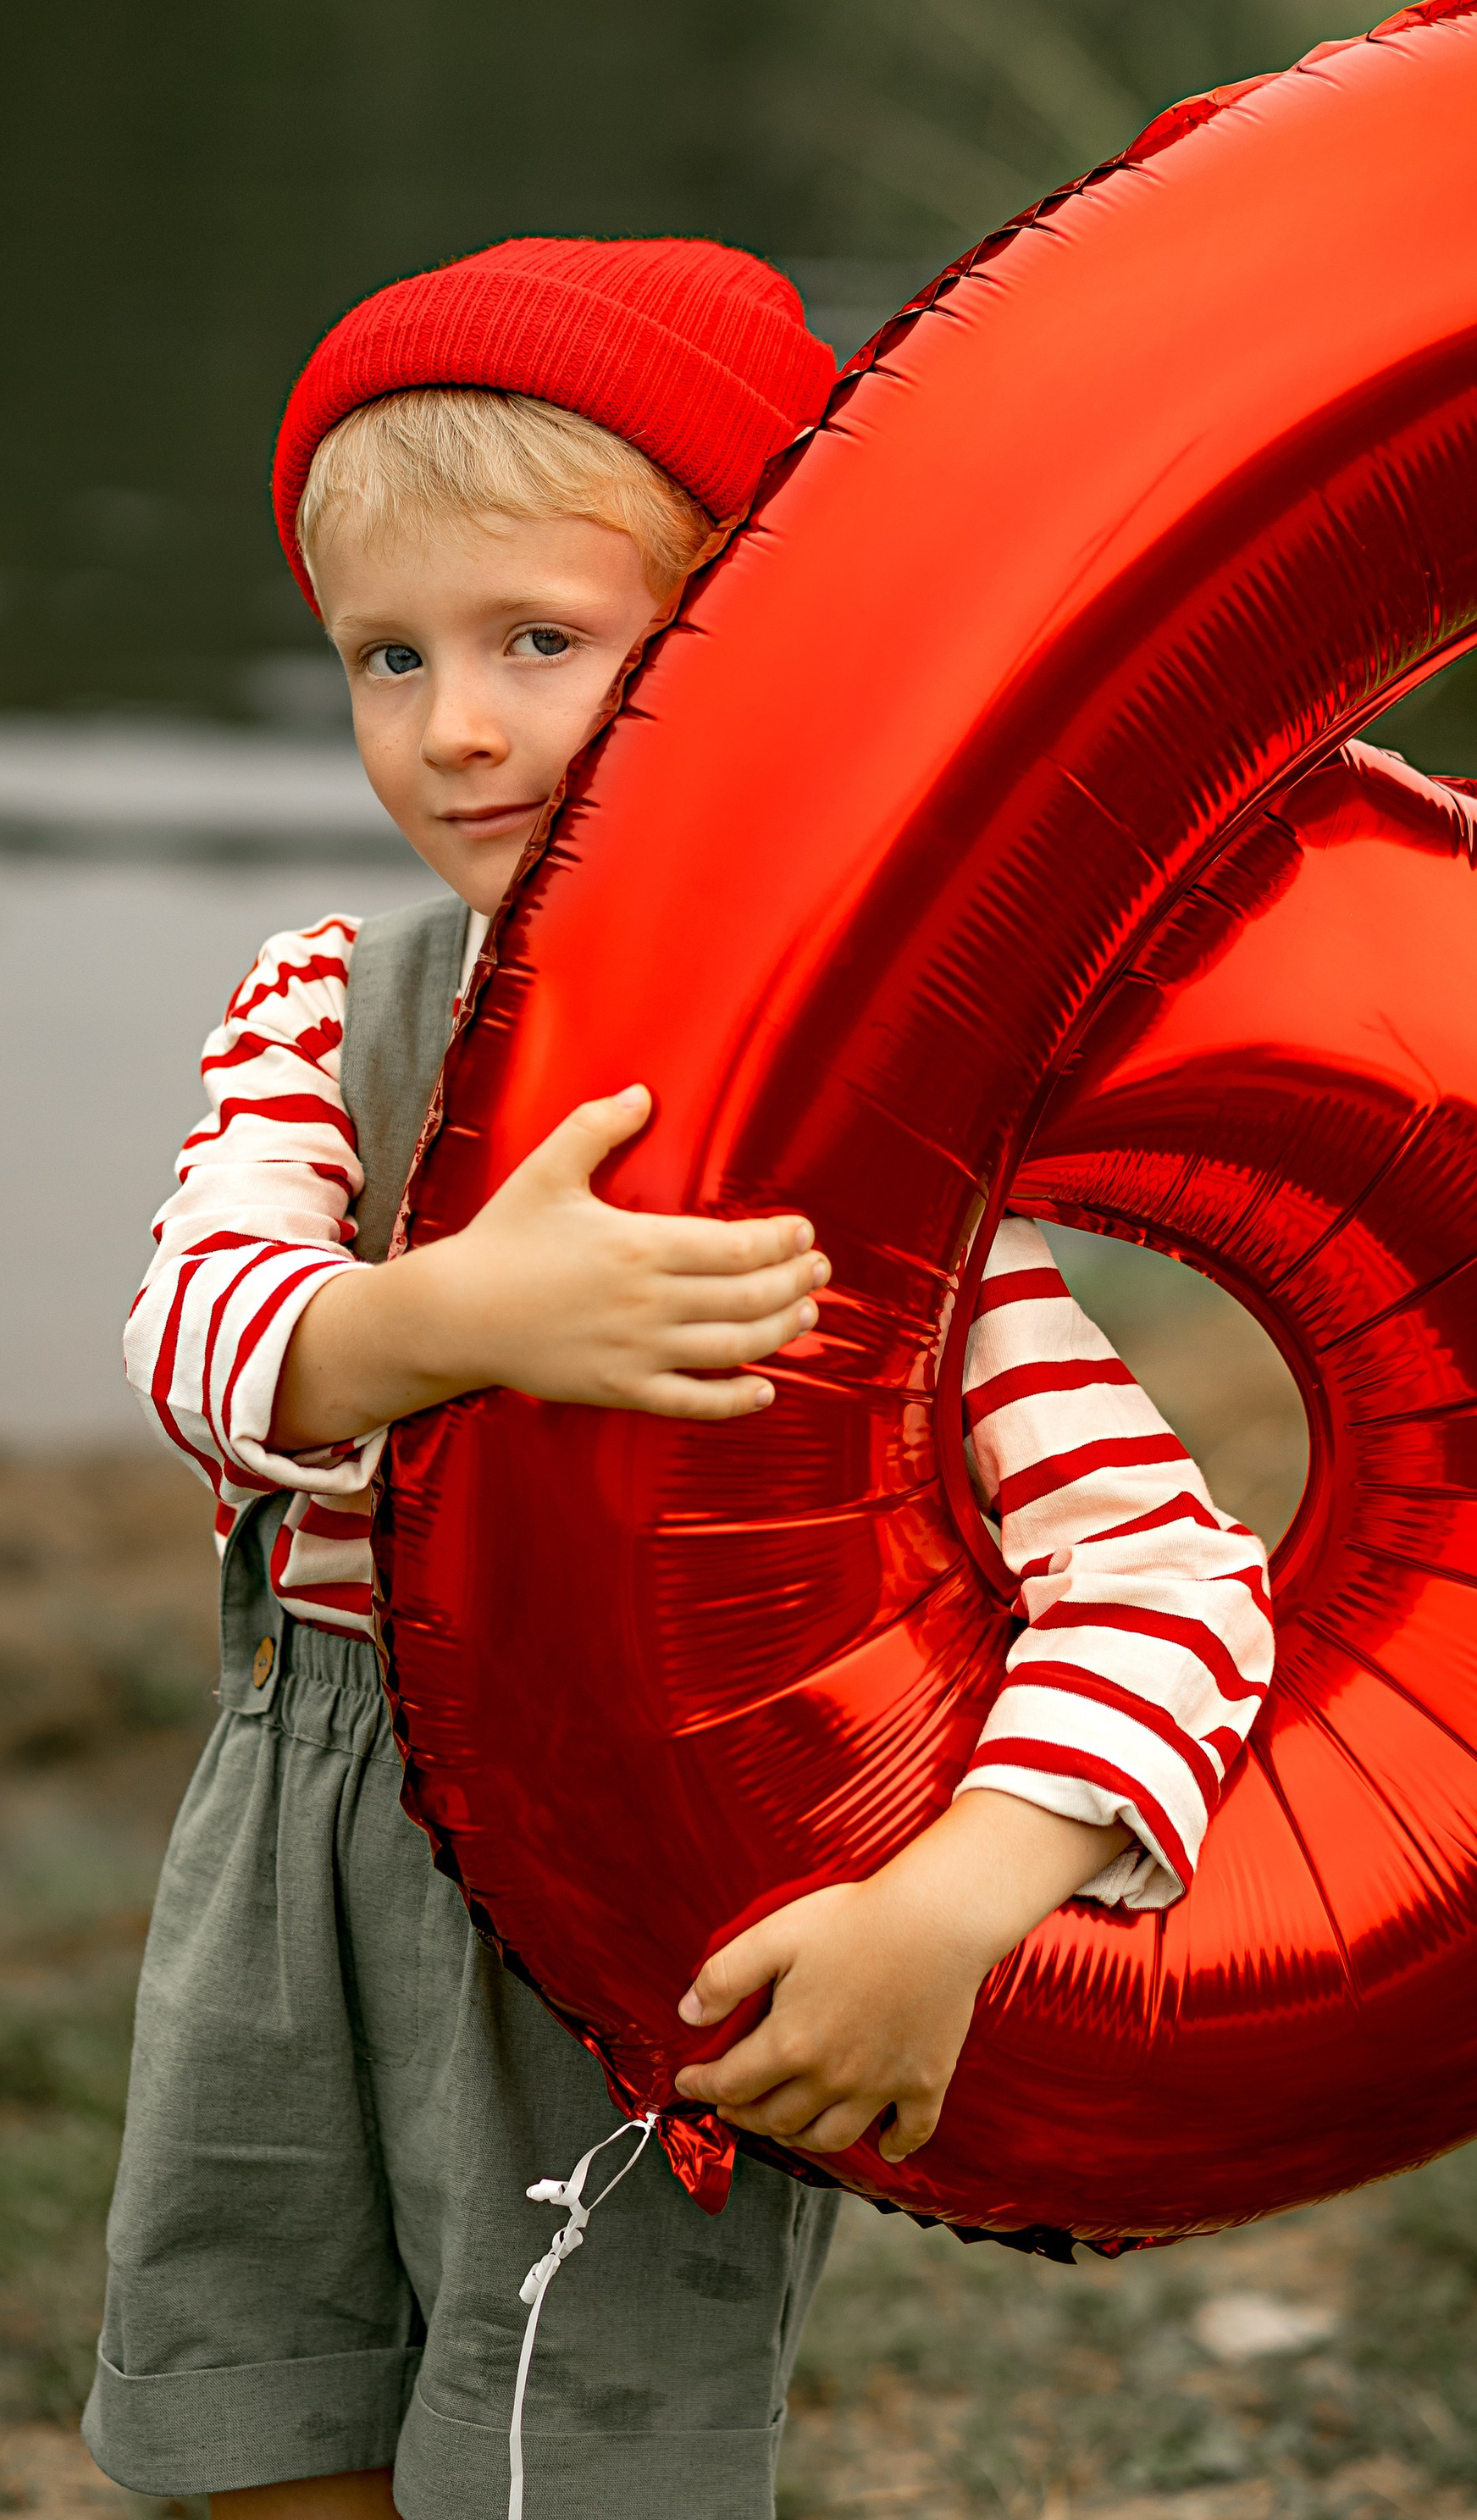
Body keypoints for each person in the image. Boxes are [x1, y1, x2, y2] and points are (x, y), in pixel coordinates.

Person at [82, 237, 1274, 2520]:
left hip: (646, 1938)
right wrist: (450, 1319)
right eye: (389, 656)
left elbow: (1171, 1582)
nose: (453, 725)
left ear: (748, 658)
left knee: (571, 2472)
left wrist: (952, 1905)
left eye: (543, 639)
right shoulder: (335, 1010)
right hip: (297, 1846)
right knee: (248, 2404)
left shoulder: (872, 1152)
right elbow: (191, 1321)